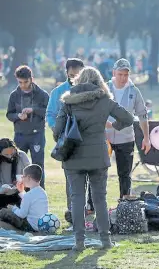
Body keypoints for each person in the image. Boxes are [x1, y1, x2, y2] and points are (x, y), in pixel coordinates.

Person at [53, 66, 134, 251]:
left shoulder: (68, 101)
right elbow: (128, 118)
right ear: (99, 81)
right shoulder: (105, 100)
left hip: (73, 156)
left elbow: (57, 130)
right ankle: (105, 240)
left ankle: (79, 241)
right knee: (100, 199)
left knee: (77, 199)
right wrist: (114, 125)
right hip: (98, 155)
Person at [46, 58, 88, 223]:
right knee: (70, 179)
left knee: (87, 177)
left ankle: (84, 209)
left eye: (78, 75)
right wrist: (56, 130)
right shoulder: (58, 92)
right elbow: (50, 114)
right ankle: (72, 212)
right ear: (67, 73)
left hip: (86, 140)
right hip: (66, 143)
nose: (74, 78)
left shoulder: (90, 91)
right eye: (71, 75)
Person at [106, 58, 151, 199]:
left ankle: (124, 203)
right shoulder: (105, 88)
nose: (123, 78)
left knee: (125, 174)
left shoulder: (134, 91)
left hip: (125, 138)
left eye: (126, 75)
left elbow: (142, 115)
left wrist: (146, 138)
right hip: (104, 137)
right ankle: (92, 205)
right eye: (120, 74)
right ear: (114, 73)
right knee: (98, 172)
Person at [6, 65, 49, 189]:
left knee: (38, 165)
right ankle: (20, 194)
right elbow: (9, 114)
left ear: (31, 79)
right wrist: (18, 116)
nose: (23, 85)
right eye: (20, 82)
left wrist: (33, 110)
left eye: (26, 82)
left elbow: (49, 111)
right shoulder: (14, 95)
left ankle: (40, 192)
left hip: (37, 134)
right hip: (20, 134)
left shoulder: (42, 94)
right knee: (18, 164)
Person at [0, 164, 48, 232]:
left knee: (4, 212)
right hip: (40, 225)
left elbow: (22, 214)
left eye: (23, 176)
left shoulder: (29, 195)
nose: (22, 178)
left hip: (30, 226)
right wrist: (22, 191)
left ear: (28, 177)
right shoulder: (42, 192)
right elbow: (30, 199)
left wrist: (13, 208)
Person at [0, 138, 30, 209]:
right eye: (6, 154)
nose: (10, 156)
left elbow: (31, 177)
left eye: (12, 153)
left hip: (19, 194)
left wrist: (22, 183)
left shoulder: (22, 156)